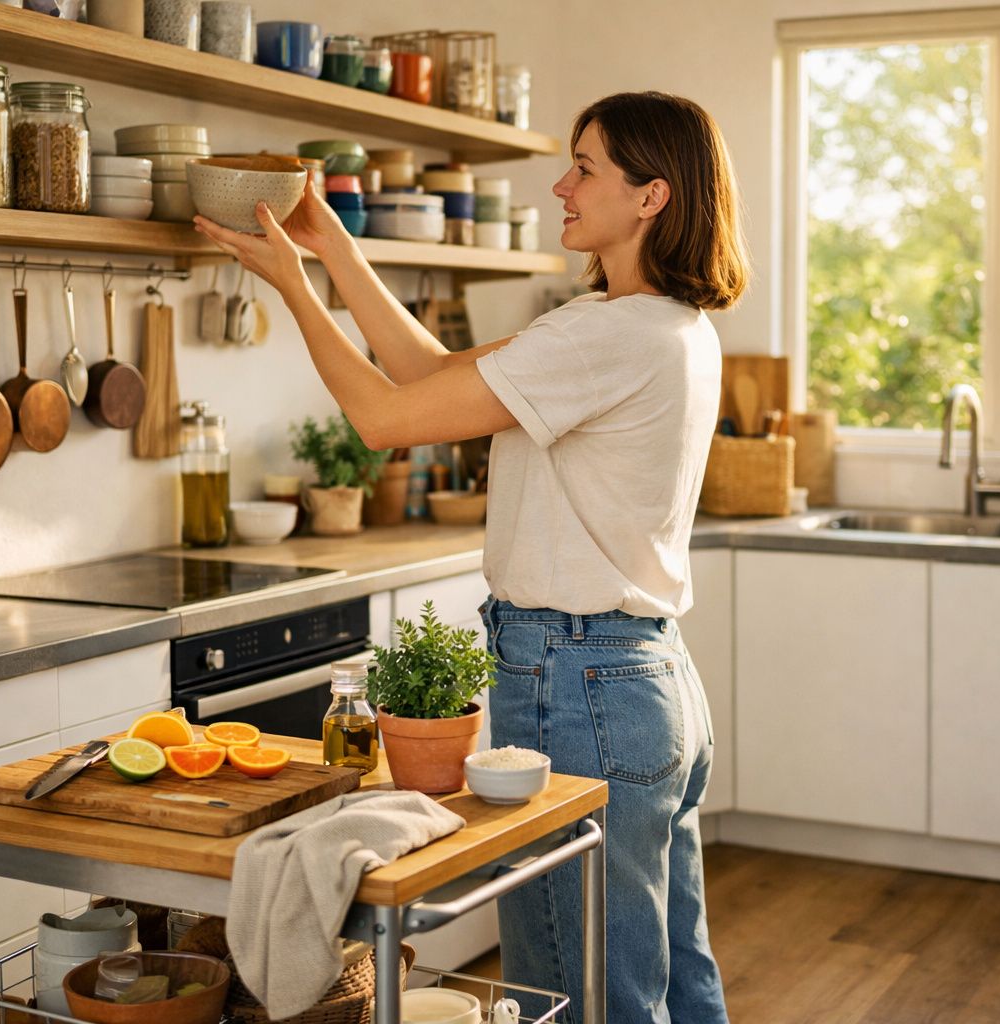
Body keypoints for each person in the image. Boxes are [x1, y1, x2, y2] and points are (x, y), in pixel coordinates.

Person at [194, 90, 747, 1024]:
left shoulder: (606, 333)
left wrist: (292, 285)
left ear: (651, 197)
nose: (562, 185)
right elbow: (430, 375)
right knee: (670, 975)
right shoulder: (661, 326)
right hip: (647, 679)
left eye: (587, 167)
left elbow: (382, 419)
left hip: (581, 686)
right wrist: (333, 248)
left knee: (578, 995)